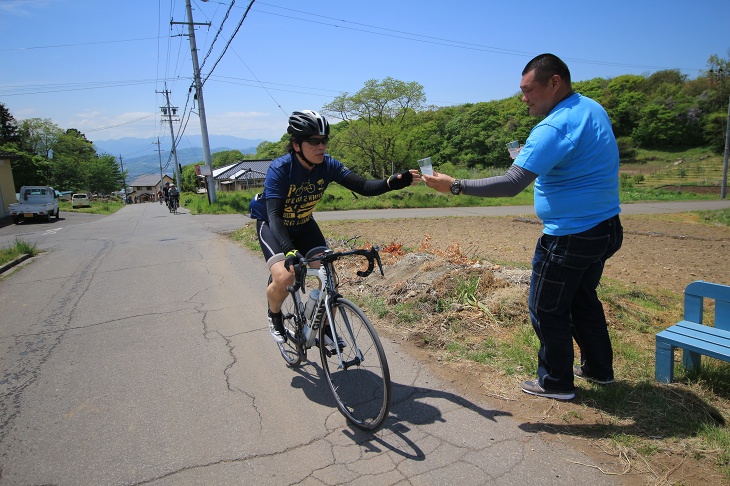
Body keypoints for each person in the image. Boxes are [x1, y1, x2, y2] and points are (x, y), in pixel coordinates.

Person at [422, 53, 623, 401]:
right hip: (606, 227)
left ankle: (556, 382)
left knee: (546, 308)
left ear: (554, 82)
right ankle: (599, 369)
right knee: (581, 299)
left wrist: (455, 186)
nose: (524, 98)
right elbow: (575, 160)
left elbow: (512, 183)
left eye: (528, 90)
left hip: (571, 236)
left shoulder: (554, 126)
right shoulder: (591, 108)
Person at [250, 110, 420, 343]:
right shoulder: (281, 169)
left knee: (328, 277)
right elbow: (275, 215)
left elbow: (364, 187)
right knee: (286, 277)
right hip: (274, 225)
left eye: (324, 141)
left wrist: (392, 183)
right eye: (314, 141)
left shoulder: (328, 165)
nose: (322, 146)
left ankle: (325, 327)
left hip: (304, 224)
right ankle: (274, 314)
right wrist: (289, 250)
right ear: (296, 145)